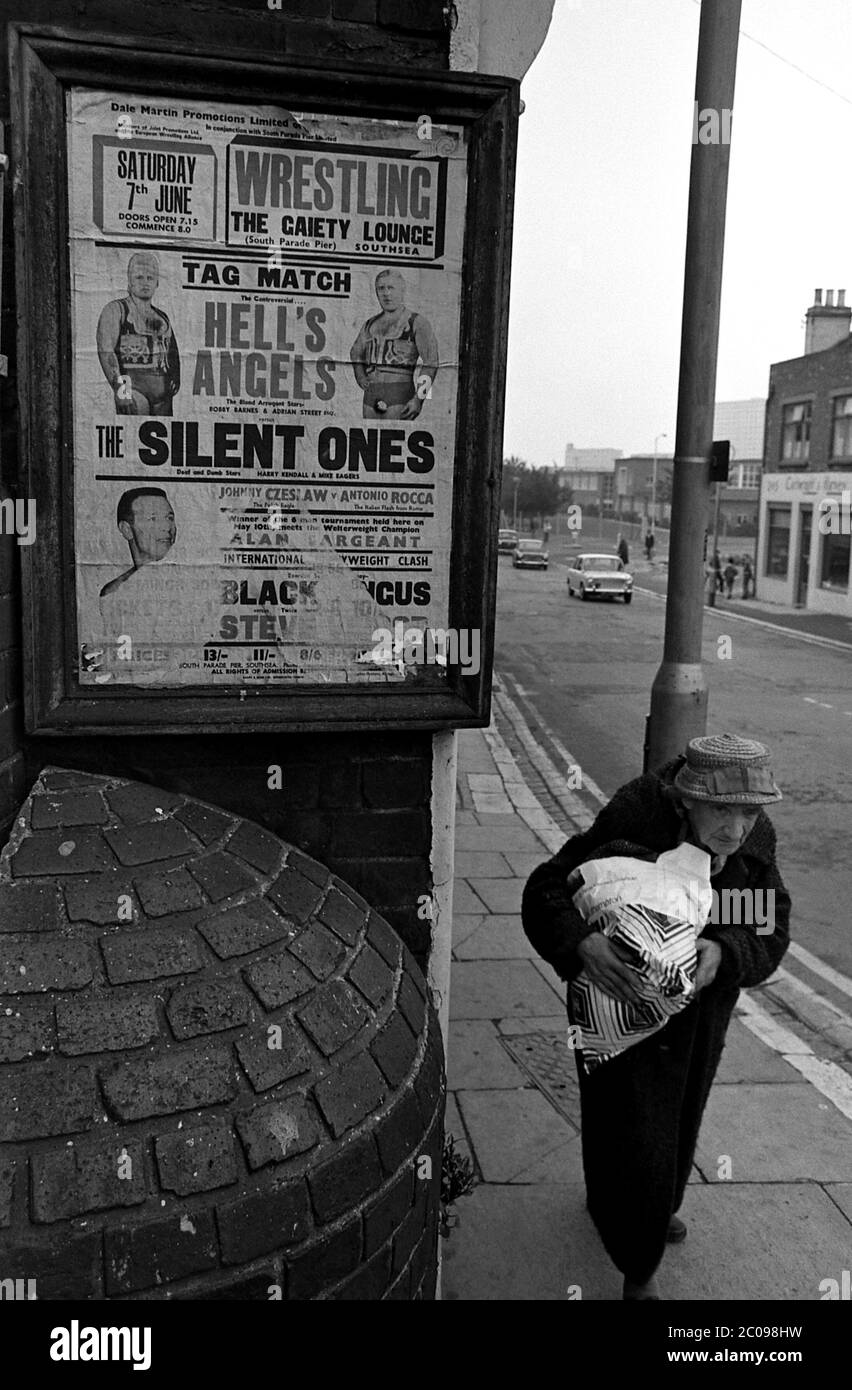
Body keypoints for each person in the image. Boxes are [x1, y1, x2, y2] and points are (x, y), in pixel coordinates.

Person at [522, 732, 790, 1300]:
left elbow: (765, 922)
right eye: (722, 809)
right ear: (687, 798)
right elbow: (549, 887)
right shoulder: (638, 814)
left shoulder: (750, 842)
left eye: (747, 812)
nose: (736, 829)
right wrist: (582, 945)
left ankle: (651, 1206)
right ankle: (637, 1269)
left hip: (698, 1017)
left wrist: (725, 950)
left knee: (679, 1119)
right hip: (613, 1002)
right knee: (627, 1124)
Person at [97, 252, 180, 415]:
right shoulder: (116, 310)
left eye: (150, 278)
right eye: (139, 277)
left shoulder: (162, 317)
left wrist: (176, 377)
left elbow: (173, 353)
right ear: (129, 280)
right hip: (134, 392)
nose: (145, 283)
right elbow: (106, 350)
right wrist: (121, 391)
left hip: (163, 396)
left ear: (157, 282)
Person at [350, 269, 439, 420]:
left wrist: (419, 399)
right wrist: (360, 376)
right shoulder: (369, 324)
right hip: (370, 399)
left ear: (402, 290)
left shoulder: (417, 322)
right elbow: (355, 353)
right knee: (368, 440)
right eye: (381, 288)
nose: (386, 293)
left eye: (391, 288)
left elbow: (432, 362)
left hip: (401, 397)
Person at [99, 487, 176, 604]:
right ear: (126, 529)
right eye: (153, 519)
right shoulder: (113, 594)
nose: (166, 527)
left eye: (169, 518)